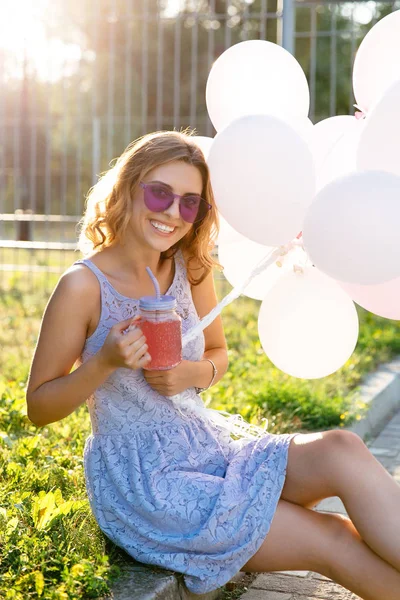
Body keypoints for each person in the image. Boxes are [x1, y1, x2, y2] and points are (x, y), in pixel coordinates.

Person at [26, 130, 400, 600]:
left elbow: (217, 355)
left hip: (210, 449)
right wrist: (103, 362)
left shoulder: (190, 266)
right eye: (159, 193)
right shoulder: (83, 287)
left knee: (341, 447)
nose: (171, 213)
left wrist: (191, 374)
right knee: (334, 537)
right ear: (127, 188)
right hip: (151, 484)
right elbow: (38, 407)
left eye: (189, 203)